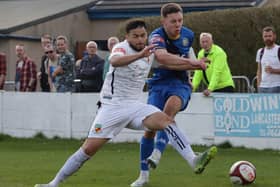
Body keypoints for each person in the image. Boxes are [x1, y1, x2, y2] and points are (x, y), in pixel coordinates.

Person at [34, 19, 217, 187]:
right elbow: (115, 61)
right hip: (111, 108)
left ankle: (193, 159)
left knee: (166, 121)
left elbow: (169, 64)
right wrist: (140, 55)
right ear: (126, 37)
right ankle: (54, 183)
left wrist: (195, 64)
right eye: (135, 36)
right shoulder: (121, 48)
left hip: (134, 106)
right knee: (87, 151)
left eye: (143, 36)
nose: (140, 40)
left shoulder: (150, 51)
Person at [131, 3, 209, 187]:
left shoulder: (188, 35)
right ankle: (143, 177)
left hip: (180, 84)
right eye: (173, 21)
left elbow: (188, 54)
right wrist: (193, 63)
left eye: (180, 20)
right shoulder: (156, 36)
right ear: (163, 21)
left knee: (169, 111)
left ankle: (157, 153)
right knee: (150, 129)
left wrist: (190, 73)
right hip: (158, 83)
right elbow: (163, 58)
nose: (178, 24)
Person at [192, 32, 235, 96]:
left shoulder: (219, 53)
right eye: (203, 42)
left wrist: (210, 89)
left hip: (225, 87)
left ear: (212, 41)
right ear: (200, 43)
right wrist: (192, 88)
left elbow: (217, 72)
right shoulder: (200, 54)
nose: (205, 44)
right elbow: (198, 73)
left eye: (207, 41)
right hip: (213, 88)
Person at [256, 26, 280, 93]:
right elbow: (259, 71)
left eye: (270, 36)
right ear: (262, 37)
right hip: (263, 87)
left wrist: (273, 70)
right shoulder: (260, 51)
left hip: (277, 86)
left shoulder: (279, 50)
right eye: (265, 36)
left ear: (274, 36)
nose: (267, 38)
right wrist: (258, 86)